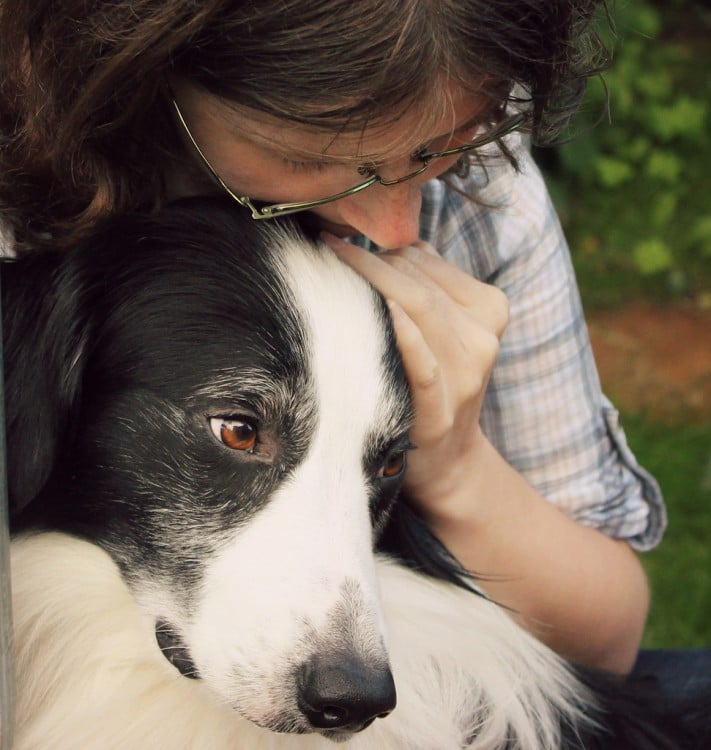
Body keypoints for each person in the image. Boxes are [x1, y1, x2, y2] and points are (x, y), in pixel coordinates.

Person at [0, 0, 669, 679]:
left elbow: (606, 641)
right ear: (146, 68)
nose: (396, 229)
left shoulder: (483, 191)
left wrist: (457, 463)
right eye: (308, 157)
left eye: (442, 149)